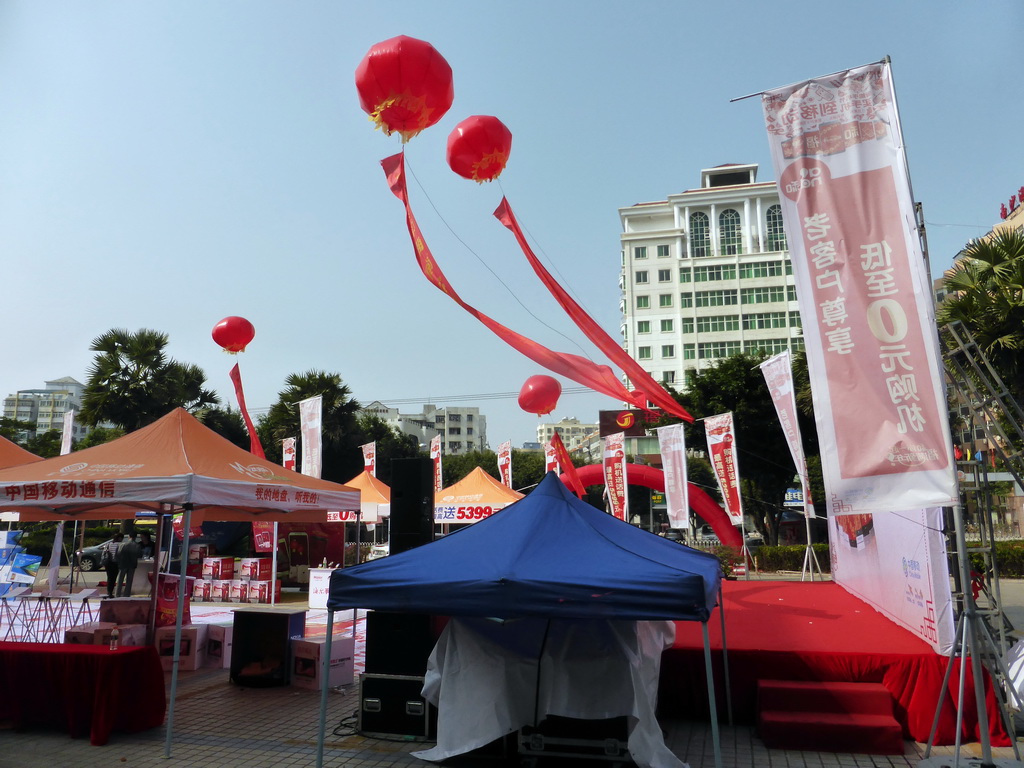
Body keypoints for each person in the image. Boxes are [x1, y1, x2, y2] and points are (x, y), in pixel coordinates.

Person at [102, 533, 124, 599]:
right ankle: (110, 592)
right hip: (115, 563)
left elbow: (104, 552)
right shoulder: (120, 545)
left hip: (108, 563)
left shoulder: (108, 544)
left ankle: (109, 592)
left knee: (109, 577)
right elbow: (120, 554)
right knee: (113, 578)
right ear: (119, 538)